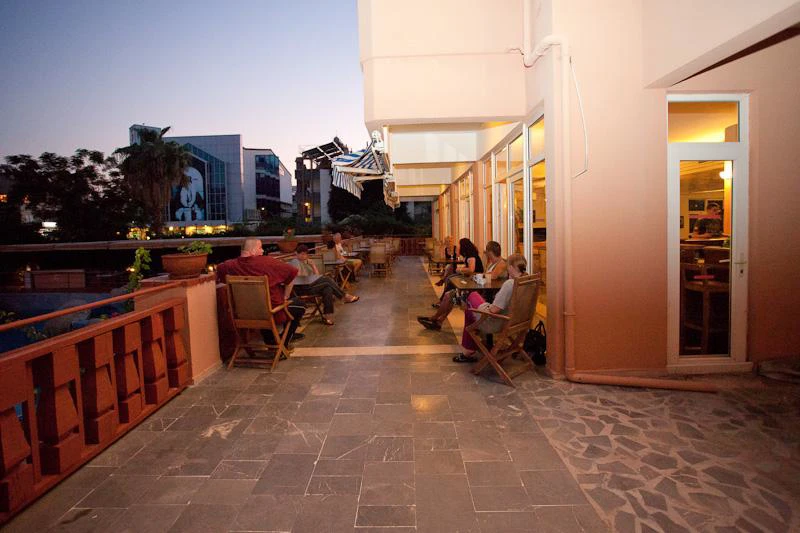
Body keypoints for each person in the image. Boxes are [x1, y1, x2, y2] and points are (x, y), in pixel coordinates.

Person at [216, 238, 306, 348]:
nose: (263, 251)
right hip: (272, 313)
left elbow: (219, 270)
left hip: (242, 315)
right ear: (253, 250)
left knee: (261, 303)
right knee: (300, 305)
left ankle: (271, 340)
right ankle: (283, 342)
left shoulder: (229, 266)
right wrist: (285, 297)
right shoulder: (268, 262)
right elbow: (292, 273)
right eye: (260, 248)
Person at [453, 253, 528, 363]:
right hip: (516, 321)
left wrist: (485, 306)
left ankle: (468, 350)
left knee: (472, 298)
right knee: (470, 308)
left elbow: (494, 310)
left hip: (496, 322)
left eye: (508, 267)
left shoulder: (510, 284)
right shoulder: (527, 281)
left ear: (511, 267)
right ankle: (468, 350)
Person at [419, 241, 507, 331]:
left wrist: (480, 275)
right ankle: (438, 320)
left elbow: (492, 276)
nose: (486, 254)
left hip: (485, 294)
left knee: (449, 296)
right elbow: (486, 276)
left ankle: (435, 319)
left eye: (486, 251)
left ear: (490, 252)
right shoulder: (492, 263)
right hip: (482, 290)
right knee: (449, 295)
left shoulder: (501, 263)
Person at [287, 244, 360, 325]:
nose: (304, 256)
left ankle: (327, 316)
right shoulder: (295, 261)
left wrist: (313, 265)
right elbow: (298, 277)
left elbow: (317, 276)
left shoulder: (307, 262)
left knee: (327, 288)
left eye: (305, 254)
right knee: (327, 280)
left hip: (310, 286)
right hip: (301, 288)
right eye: (302, 254)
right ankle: (344, 296)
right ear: (296, 254)